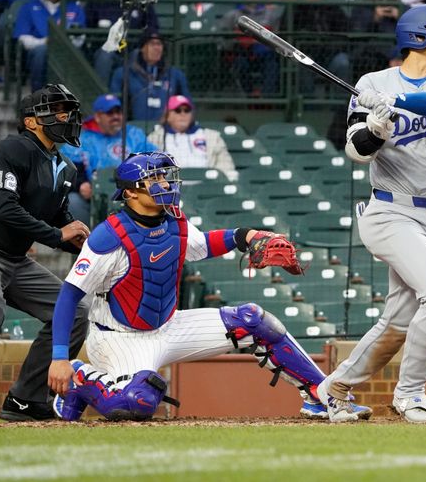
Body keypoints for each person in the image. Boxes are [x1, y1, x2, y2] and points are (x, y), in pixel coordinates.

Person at [46, 152, 370, 422]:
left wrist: (246, 236)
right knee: (138, 403)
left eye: (165, 177)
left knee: (253, 321)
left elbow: (202, 244)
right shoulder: (109, 236)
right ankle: (80, 378)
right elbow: (70, 294)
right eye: (154, 179)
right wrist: (60, 356)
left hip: (169, 325)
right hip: (120, 337)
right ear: (130, 192)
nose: (164, 184)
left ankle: (321, 395)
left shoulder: (175, 219)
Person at [320, 4, 426, 423]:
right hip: (390, 212)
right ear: (417, 36)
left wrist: (399, 101)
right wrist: (376, 128)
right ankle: (409, 394)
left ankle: (334, 388)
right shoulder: (371, 84)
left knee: (402, 319)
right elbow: (355, 151)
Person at [0, 84, 89, 421]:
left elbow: (57, 214)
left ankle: (25, 399)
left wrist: (76, 236)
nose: (64, 116)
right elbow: (4, 209)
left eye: (66, 110)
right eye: (55, 109)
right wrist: (57, 235)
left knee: (75, 314)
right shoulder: (13, 148)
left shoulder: (65, 167)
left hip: (16, 260)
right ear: (30, 122)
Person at [60, 94, 157, 225]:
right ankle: (83, 243)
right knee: (72, 201)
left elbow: (155, 159)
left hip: (133, 196)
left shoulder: (134, 134)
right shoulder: (84, 139)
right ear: (98, 117)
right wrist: (81, 185)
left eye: (118, 112)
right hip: (95, 199)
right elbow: (66, 169)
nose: (115, 116)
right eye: (109, 113)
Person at [13, 0, 86, 92]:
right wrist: (45, 42)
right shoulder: (28, 7)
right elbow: (23, 38)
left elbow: (81, 36)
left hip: (67, 51)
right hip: (37, 53)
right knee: (41, 51)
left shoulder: (75, 7)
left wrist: (64, 44)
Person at [88, 0, 159, 87]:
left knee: (138, 55)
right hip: (105, 50)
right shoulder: (98, 2)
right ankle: (100, 95)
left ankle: (135, 100)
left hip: (133, 50)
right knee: (105, 55)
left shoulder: (140, 1)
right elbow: (88, 30)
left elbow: (153, 26)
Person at [147, 95, 238, 182]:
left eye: (187, 110)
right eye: (178, 110)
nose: (183, 114)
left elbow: (226, 166)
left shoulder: (210, 136)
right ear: (167, 115)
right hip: (169, 190)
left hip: (206, 188)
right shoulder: (155, 138)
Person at [110, 30, 192, 124]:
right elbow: (114, 104)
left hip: (166, 129)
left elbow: (188, 104)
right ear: (142, 48)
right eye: (152, 44)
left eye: (159, 44)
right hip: (132, 128)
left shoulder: (175, 75)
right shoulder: (123, 73)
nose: (157, 48)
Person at [220, 0, 281, 96]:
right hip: (241, 53)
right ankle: (248, 96)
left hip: (264, 54)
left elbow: (276, 37)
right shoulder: (233, 15)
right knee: (240, 64)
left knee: (272, 65)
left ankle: (267, 98)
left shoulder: (270, 14)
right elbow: (224, 38)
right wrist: (237, 44)